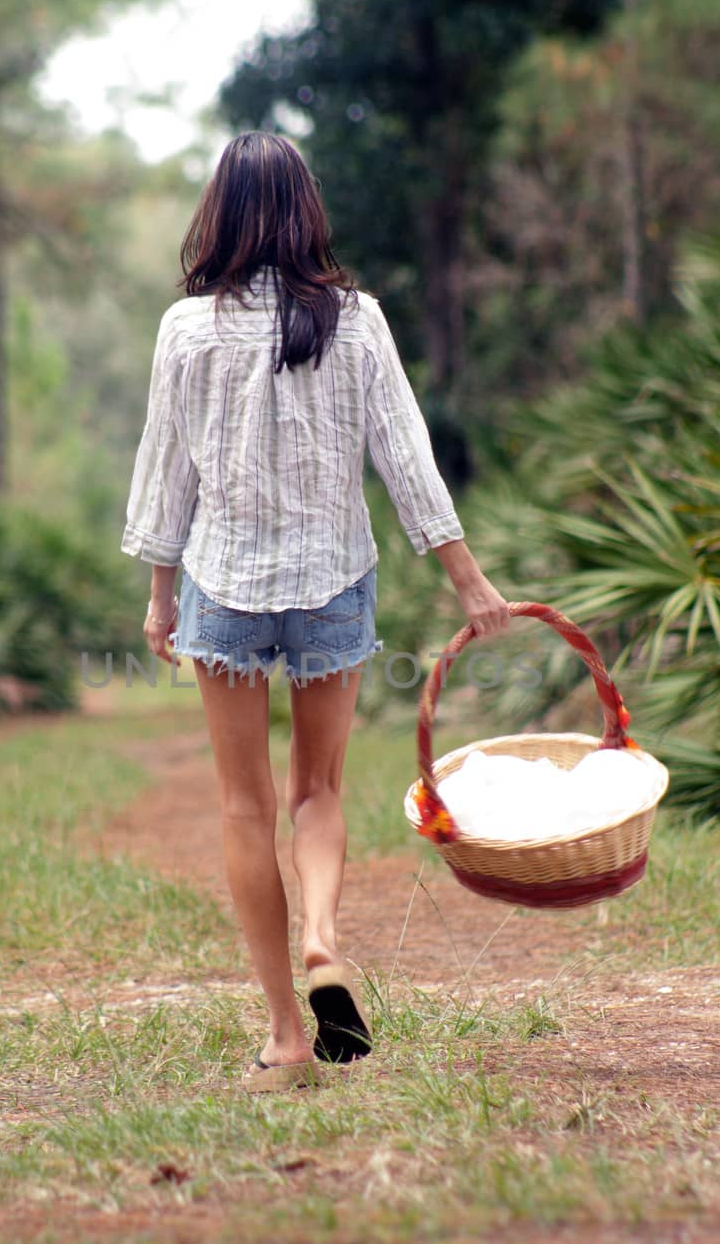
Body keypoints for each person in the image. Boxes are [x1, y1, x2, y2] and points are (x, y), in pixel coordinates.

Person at [121, 131, 509, 1092]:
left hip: (225, 589)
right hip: (333, 583)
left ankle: (287, 1042)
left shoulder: (187, 330)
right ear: (306, 210)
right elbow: (405, 457)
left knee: (244, 805)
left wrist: (161, 595)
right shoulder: (358, 320)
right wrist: (467, 579)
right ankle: (326, 939)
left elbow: (163, 474)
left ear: (218, 213)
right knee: (317, 793)